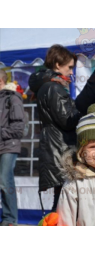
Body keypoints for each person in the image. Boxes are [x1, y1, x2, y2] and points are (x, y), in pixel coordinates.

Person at [28, 45, 82, 212]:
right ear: (58, 65)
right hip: (60, 146)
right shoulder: (54, 87)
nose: (72, 72)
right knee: (64, 200)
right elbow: (66, 120)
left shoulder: (48, 85)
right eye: (70, 67)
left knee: (62, 196)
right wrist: (83, 111)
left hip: (54, 144)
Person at [0, 70, 25, 226]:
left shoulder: (13, 98)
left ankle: (10, 219)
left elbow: (18, 129)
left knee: (4, 179)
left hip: (9, 145)